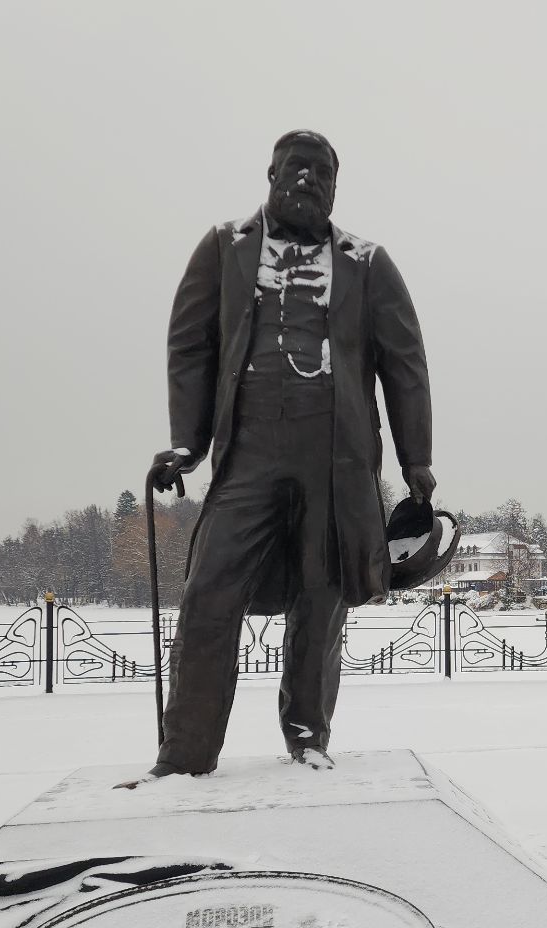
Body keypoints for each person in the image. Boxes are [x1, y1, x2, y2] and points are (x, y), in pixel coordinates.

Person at [127, 130, 434, 785]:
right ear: (270, 175)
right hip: (250, 452)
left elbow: (405, 364)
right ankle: (184, 753)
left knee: (321, 599)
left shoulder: (368, 262)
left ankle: (308, 738)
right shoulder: (223, 248)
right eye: (296, 169)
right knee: (210, 591)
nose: (308, 181)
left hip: (336, 458)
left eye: (322, 173)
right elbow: (191, 348)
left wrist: (416, 460)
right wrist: (188, 442)